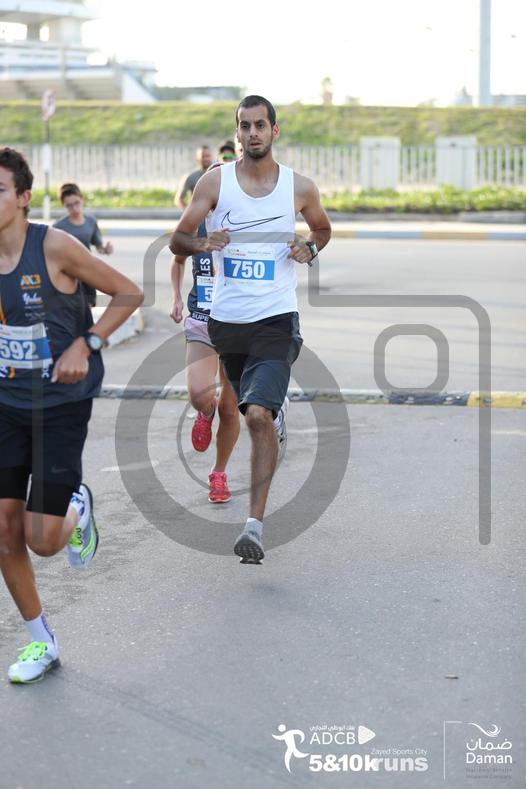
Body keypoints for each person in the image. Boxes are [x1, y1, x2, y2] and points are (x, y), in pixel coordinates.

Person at [0, 148, 143, 683]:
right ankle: (42, 643)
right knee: (4, 531)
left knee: (41, 540)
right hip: (6, 404)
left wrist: (87, 342)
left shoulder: (55, 246)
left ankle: (77, 505)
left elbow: (129, 292)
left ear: (23, 197)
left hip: (60, 404)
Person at [170, 95, 331, 563]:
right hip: (227, 325)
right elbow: (179, 239)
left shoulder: (299, 187)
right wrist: (203, 241)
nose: (253, 133)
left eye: (261, 125)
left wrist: (309, 249)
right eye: (245, 125)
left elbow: (322, 229)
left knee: (256, 415)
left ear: (274, 131)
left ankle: (254, 527)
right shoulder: (214, 182)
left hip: (276, 320)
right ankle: (272, 413)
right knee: (245, 409)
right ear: (237, 132)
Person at [170, 150, 241, 503]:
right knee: (199, 394)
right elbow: (177, 260)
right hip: (201, 318)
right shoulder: (195, 225)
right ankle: (205, 410)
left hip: (238, 322)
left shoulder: (243, 225)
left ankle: (219, 474)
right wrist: (176, 298)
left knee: (231, 408)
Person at [53, 183, 113, 307]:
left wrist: (106, 249)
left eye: (76, 203)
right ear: (63, 205)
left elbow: (98, 246)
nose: (74, 208)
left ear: (82, 199)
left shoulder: (91, 221)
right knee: (71, 308)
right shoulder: (58, 226)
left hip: (88, 272)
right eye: (69, 205)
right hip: (69, 275)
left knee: (89, 306)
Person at [174, 145, 214, 209]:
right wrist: (189, 212)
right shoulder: (190, 176)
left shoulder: (218, 174)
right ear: (197, 158)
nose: (206, 159)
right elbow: (178, 200)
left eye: (208, 156)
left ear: (212, 157)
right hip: (198, 213)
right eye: (203, 156)